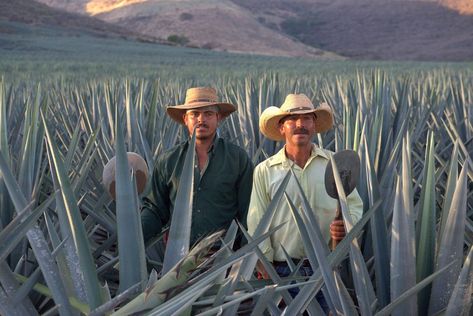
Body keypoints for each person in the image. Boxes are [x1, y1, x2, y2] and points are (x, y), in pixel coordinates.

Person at [247, 93, 363, 309]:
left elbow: (354, 205)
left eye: (307, 118)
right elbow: (257, 219)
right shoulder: (264, 171)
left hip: (326, 268)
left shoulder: (334, 164)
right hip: (281, 272)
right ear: (282, 127)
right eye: (292, 119)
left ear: (314, 125)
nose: (300, 124)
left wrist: (346, 227)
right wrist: (264, 264)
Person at [141, 87, 253, 248]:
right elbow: (155, 209)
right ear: (185, 119)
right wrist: (133, 240)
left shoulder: (237, 159)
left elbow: (248, 211)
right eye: (194, 114)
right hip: (178, 257)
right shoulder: (168, 161)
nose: (201, 119)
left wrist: (245, 257)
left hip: (223, 257)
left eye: (208, 114)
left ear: (218, 118)